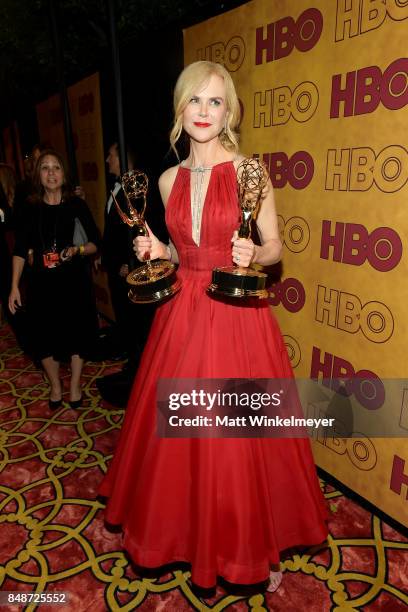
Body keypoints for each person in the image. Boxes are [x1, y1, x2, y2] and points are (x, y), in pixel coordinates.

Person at [99, 61, 328, 593]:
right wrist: (159, 249)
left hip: (237, 316)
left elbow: (274, 247)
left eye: (215, 102)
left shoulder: (250, 171)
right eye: (195, 100)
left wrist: (256, 251)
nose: (204, 111)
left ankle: (258, 545)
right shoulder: (166, 178)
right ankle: (187, 534)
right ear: (181, 108)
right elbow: (183, 252)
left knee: (243, 441)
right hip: (181, 314)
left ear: (229, 112)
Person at [8, 149, 100, 409]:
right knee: (43, 336)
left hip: (74, 283)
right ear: (38, 174)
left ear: (64, 173)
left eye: (56, 167)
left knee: (77, 333)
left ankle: (74, 385)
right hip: (41, 285)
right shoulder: (30, 209)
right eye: (45, 168)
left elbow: (96, 242)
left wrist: (77, 250)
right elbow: (19, 250)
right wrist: (14, 286)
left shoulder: (76, 205)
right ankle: (55, 385)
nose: (51, 173)